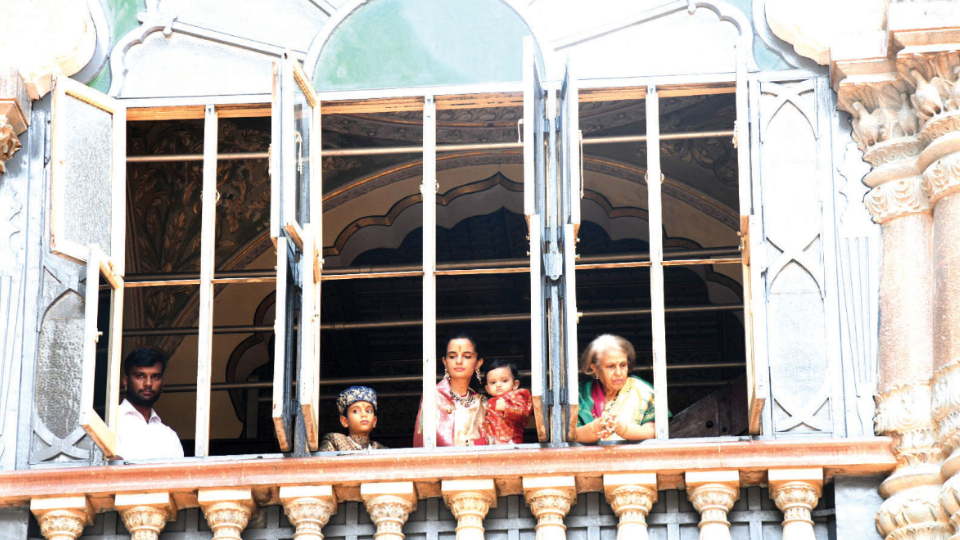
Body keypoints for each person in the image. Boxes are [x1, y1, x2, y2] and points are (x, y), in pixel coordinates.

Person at [575, 334, 663, 443]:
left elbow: (654, 431)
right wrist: (596, 427)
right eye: (610, 366)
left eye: (623, 365)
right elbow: (572, 435)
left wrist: (622, 429)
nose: (618, 373)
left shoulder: (642, 391)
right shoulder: (580, 394)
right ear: (595, 369)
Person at [413, 332, 486, 447]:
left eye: (467, 356)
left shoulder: (483, 402)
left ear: (478, 363)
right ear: (445, 362)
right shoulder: (433, 396)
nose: (459, 361)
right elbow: (423, 441)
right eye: (452, 356)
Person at [116, 348, 184, 460]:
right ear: (126, 381)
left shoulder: (169, 436)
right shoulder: (109, 423)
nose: (148, 383)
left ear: (162, 383)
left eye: (155, 377)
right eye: (140, 376)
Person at [474, 359, 532, 445]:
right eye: (493, 382)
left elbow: (524, 414)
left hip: (511, 441)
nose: (498, 385)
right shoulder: (487, 402)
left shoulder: (515, 396)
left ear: (515, 384)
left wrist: (506, 407)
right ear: (488, 389)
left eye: (504, 380)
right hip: (494, 442)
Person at [320, 386, 388, 451]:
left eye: (369, 411)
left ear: (374, 421)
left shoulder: (381, 450)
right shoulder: (335, 441)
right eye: (356, 411)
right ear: (345, 421)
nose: (364, 415)